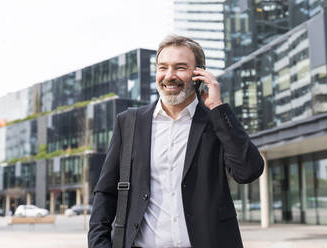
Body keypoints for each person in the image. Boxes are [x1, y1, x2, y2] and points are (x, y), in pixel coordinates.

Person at [88, 35, 264, 248]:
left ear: (199, 74)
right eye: (163, 67)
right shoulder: (129, 122)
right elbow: (105, 192)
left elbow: (248, 171)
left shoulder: (215, 122)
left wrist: (217, 107)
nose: (169, 76)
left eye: (180, 68)